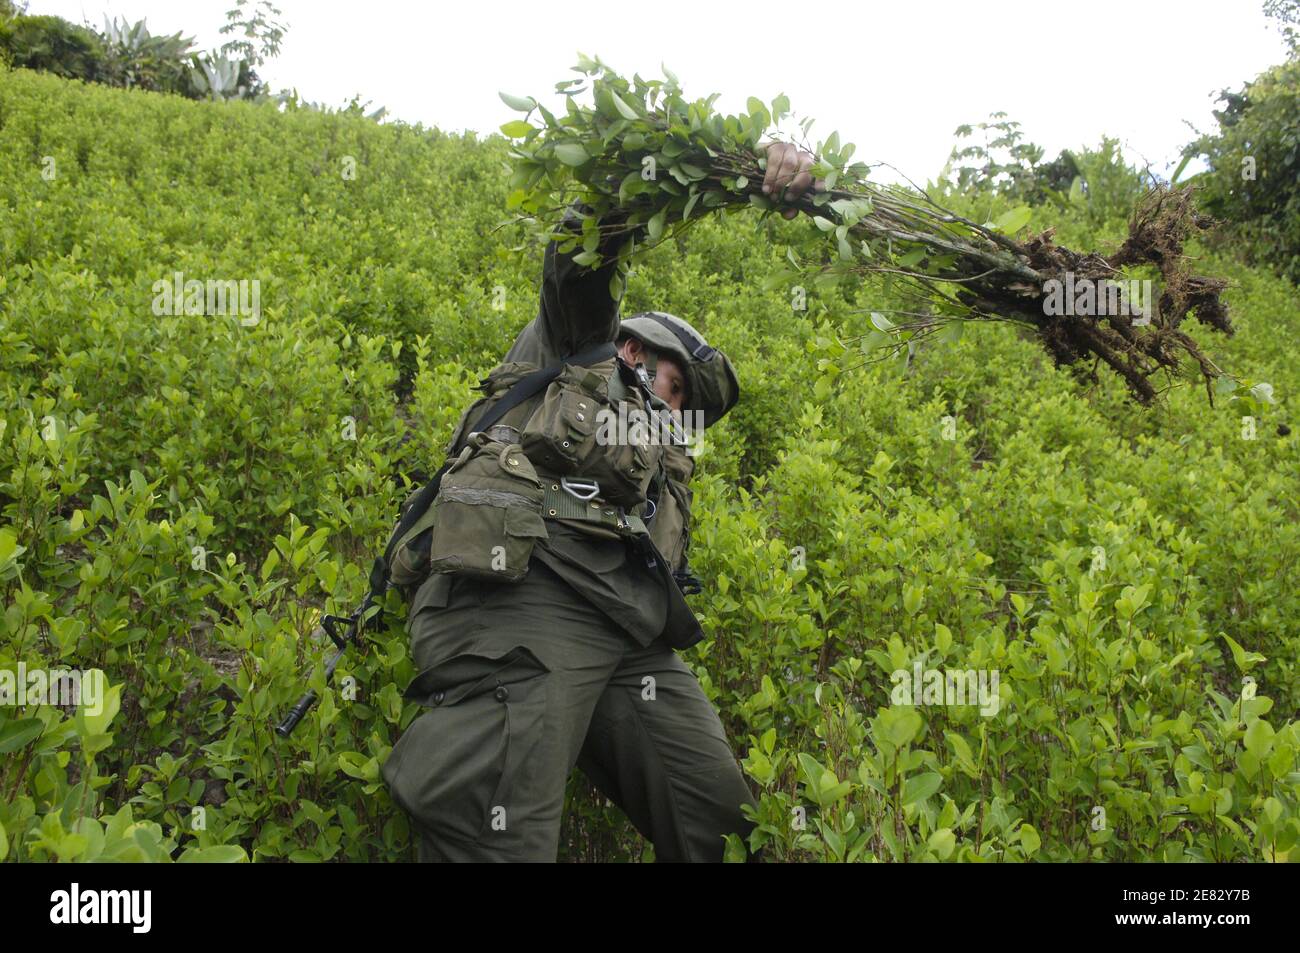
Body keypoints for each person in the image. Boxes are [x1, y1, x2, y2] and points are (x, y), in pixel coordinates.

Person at [380, 141, 822, 862]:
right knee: (495, 839)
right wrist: (704, 167)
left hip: (628, 634)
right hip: (524, 596)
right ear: (628, 345)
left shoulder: (667, 470)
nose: (664, 394)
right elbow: (582, 253)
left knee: (728, 827)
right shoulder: (573, 346)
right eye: (660, 369)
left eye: (682, 398)